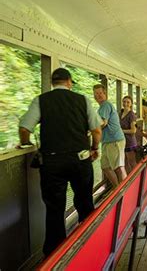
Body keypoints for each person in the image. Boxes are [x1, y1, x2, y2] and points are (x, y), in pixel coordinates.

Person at [18, 68, 102, 256]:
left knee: (55, 209)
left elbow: (25, 128)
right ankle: (92, 244)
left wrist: (25, 143)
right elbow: (96, 130)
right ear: (69, 82)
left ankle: (56, 255)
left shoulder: (41, 100)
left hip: (52, 163)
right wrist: (94, 148)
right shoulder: (82, 100)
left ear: (52, 83)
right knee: (85, 202)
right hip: (80, 160)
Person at [93, 84, 127, 187]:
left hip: (114, 140)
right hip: (107, 141)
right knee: (105, 167)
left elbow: (103, 122)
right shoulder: (101, 108)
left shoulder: (105, 105)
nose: (98, 95)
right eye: (96, 93)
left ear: (105, 94)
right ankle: (117, 189)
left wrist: (90, 130)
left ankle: (125, 192)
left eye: (100, 93)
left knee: (118, 167)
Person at [120, 96, 137, 174]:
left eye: (128, 102)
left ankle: (137, 179)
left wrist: (121, 131)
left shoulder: (131, 115)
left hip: (130, 142)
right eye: (124, 102)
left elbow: (133, 130)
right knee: (124, 162)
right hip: (122, 142)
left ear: (131, 104)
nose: (125, 104)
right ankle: (128, 180)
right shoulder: (120, 113)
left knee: (132, 162)